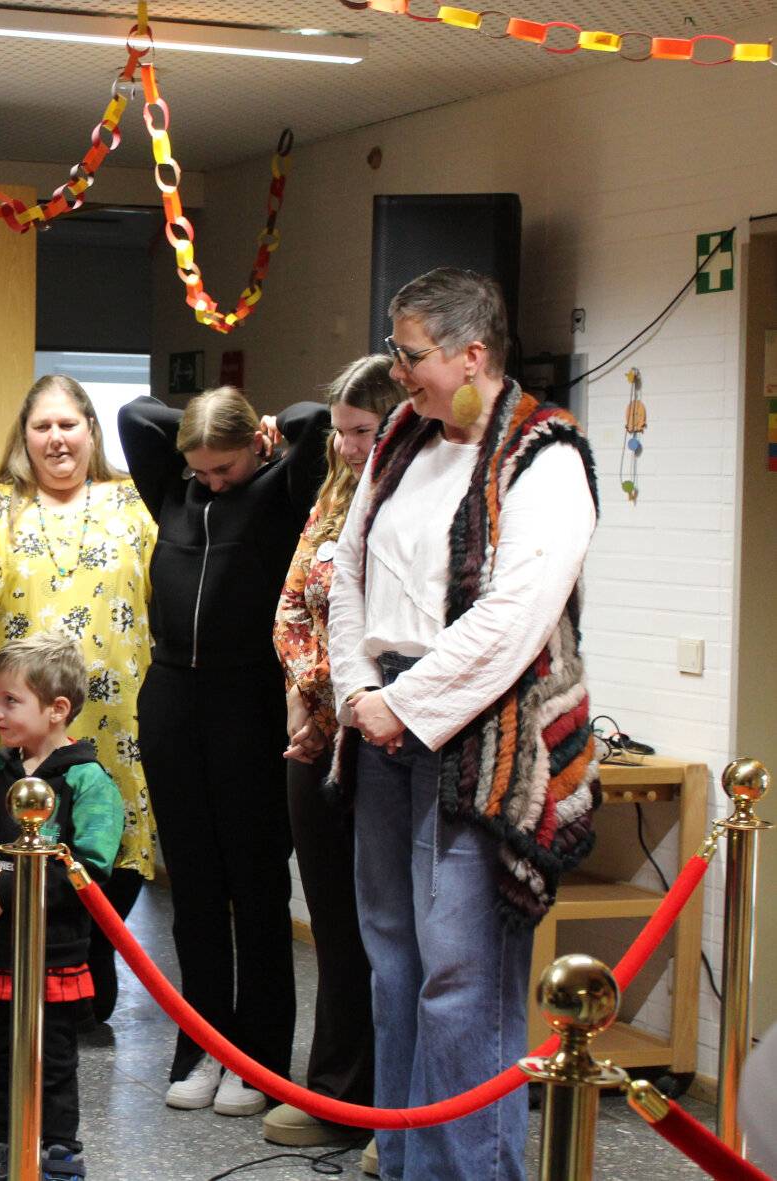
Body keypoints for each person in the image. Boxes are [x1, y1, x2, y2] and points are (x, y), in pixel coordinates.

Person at [328, 267, 601, 1181]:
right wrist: (357, 690)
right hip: (380, 713)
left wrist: (404, 705)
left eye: (410, 354)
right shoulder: (399, 437)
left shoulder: (546, 453)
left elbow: (515, 617)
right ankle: (403, 1159)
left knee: (461, 974)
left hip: (481, 734)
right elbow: (348, 570)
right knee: (394, 960)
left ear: (472, 353)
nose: (397, 371)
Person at [117, 385, 328, 1115]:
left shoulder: (279, 492)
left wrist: (270, 431)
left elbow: (316, 421)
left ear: (256, 450)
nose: (211, 482)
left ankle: (260, 1059)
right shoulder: (175, 493)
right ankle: (202, 1045)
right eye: (201, 469)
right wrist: (204, 432)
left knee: (256, 885)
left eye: (225, 467)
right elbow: (135, 417)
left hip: (249, 700)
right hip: (174, 700)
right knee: (195, 890)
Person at [0, 374, 156, 1018]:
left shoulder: (133, 501)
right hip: (25, 719)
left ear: (91, 430)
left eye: (68, 424)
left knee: (110, 835)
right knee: (21, 831)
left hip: (118, 717)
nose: (56, 439)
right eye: (42, 426)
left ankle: (88, 962)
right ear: (24, 437)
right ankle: (37, 970)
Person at [264, 356, 403, 1151]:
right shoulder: (334, 491)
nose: (348, 446)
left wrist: (336, 701)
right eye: (342, 431)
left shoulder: (416, 500)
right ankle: (338, 1092)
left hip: (382, 731)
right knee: (334, 925)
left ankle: (394, 1108)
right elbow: (293, 602)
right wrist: (305, 696)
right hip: (315, 731)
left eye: (364, 431)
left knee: (390, 928)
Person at [0, 631, 123, 1181]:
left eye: (10, 701)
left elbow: (90, 869)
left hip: (53, 951)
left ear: (57, 709)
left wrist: (10, 892)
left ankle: (58, 1152)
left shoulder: (87, 780)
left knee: (53, 1058)